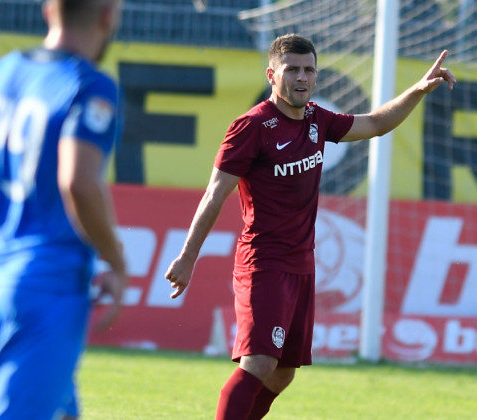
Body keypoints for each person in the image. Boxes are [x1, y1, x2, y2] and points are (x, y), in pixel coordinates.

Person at [164, 33, 455, 420]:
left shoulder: (318, 119)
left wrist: (418, 89)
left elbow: (377, 123)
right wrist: (187, 258)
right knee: (260, 362)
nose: (302, 77)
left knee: (283, 373)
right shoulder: (252, 126)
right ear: (272, 74)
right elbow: (215, 194)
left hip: (302, 266)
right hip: (263, 264)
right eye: (292, 70)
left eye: (309, 69)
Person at [0, 0, 128, 418]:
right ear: (108, 15)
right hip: (45, 283)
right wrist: (115, 259)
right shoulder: (88, 84)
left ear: (47, 11)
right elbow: (78, 181)